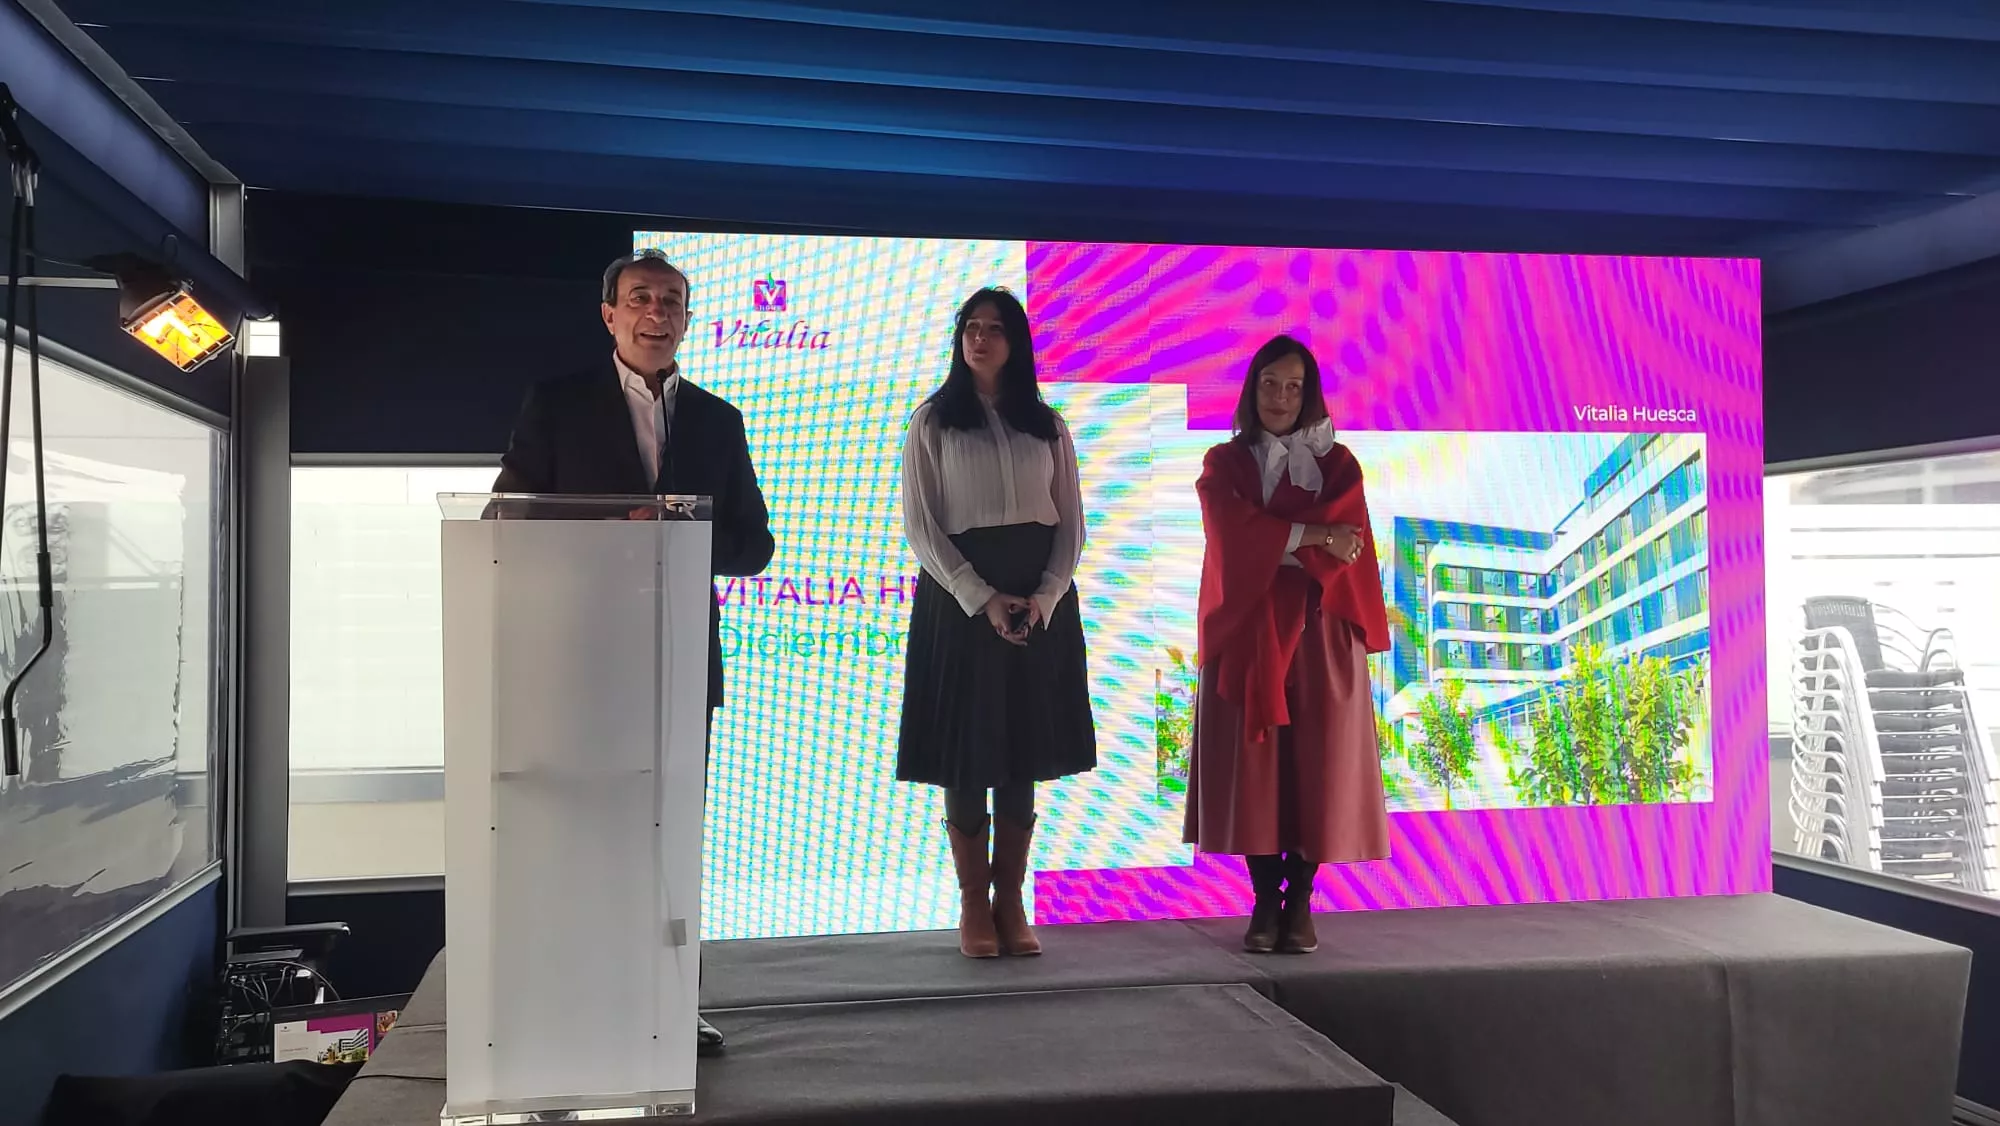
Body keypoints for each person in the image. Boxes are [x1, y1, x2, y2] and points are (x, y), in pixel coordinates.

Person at [492, 248, 773, 1053]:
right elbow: (504, 516)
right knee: (587, 839)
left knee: (669, 839)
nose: (659, 313)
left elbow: (754, 546)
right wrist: (611, 533)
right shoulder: (557, 403)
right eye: (641, 298)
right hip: (582, 660)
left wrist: (684, 529)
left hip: (684, 661)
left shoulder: (721, 419)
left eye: (674, 301)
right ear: (610, 314)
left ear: (688, 319)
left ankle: (667, 1005)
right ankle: (579, 1004)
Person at [897, 287, 1097, 959]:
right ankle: (972, 904)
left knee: (1022, 745)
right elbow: (922, 528)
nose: (979, 339)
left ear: (1017, 343)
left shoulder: (1048, 425)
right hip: (962, 600)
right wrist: (980, 597)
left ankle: (1011, 900)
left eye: (994, 329)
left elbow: (1071, 525)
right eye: (970, 328)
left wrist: (1043, 598)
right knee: (967, 748)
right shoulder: (932, 422)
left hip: (1038, 597)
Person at [1185, 334, 1390, 956]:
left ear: (1309, 393)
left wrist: (1281, 542)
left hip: (1320, 631)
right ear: (1252, 389)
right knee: (1256, 772)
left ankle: (1299, 901)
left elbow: (1346, 545)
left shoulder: (1340, 463)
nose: (1280, 396)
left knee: (1315, 766)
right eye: (1270, 383)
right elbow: (1231, 536)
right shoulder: (1225, 461)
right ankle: (1262, 900)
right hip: (1248, 630)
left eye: (1294, 386)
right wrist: (1312, 536)